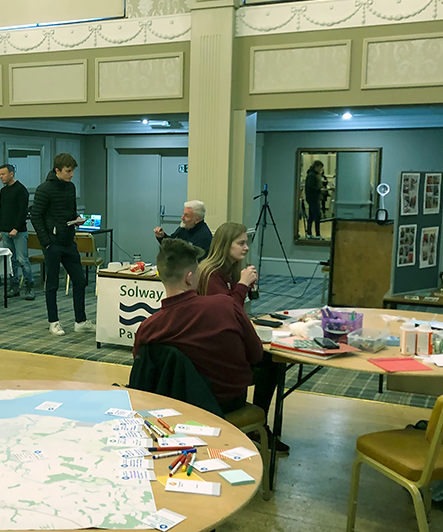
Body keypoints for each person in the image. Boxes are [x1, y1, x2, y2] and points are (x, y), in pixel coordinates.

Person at [133, 238, 262, 414]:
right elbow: (256, 354)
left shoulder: (148, 328)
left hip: (175, 405)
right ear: (189, 278)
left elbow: (145, 372)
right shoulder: (225, 306)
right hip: (227, 403)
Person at [196, 222, 286, 452]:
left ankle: (258, 422)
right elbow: (227, 312)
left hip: (226, 342)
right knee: (271, 362)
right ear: (225, 245)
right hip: (216, 352)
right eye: (241, 243)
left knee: (272, 360)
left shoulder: (226, 271)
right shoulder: (210, 274)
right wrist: (242, 286)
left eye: (247, 242)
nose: (246, 248)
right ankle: (259, 424)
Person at [32, 153, 94, 336]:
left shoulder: (70, 187)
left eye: (73, 170)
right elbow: (36, 216)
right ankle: (53, 322)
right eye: (68, 171)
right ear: (57, 170)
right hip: (53, 244)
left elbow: (71, 212)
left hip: (68, 241)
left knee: (80, 281)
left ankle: (80, 321)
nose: (72, 174)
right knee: (52, 284)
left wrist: (76, 220)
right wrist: (47, 243)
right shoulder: (44, 189)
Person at [0, 163, 35, 300]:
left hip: (18, 232)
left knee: (22, 260)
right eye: (0, 174)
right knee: (10, 260)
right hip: (5, 231)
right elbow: (1, 211)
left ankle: (29, 286)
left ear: (11, 174)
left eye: (3, 174)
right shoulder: (3, 191)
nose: (1, 177)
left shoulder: (20, 190)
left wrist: (16, 228)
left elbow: (22, 211)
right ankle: (14, 286)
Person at [305, 161, 324, 239]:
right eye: (320, 167)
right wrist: (319, 190)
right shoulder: (312, 176)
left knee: (311, 216)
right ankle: (317, 234)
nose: (320, 170)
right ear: (316, 166)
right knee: (316, 216)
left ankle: (309, 233)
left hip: (311, 198)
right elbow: (310, 187)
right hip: (313, 198)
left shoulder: (311, 175)